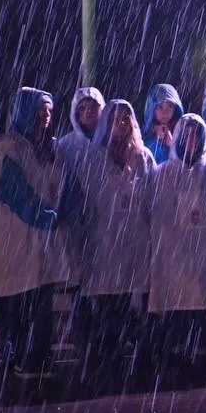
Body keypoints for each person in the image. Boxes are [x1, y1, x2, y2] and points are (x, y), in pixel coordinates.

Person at [0, 87, 73, 380]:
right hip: (16, 236)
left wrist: (68, 211)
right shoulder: (8, 148)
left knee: (41, 301)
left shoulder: (51, 149)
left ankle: (38, 357)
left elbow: (67, 186)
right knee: (17, 301)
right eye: (40, 111)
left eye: (49, 111)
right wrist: (47, 217)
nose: (45, 117)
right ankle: (18, 355)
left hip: (43, 239)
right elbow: (13, 192)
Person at [147, 113, 206, 368]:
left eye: (196, 136)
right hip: (175, 251)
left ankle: (199, 351)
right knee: (177, 298)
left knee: (202, 299)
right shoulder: (163, 172)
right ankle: (175, 352)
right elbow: (157, 213)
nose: (191, 141)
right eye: (186, 135)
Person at [70, 100, 156, 385]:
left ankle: (134, 364)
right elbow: (82, 203)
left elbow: (153, 201)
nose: (120, 124)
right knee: (108, 306)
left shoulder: (144, 157)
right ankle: (109, 361)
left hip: (136, 242)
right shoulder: (92, 158)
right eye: (114, 119)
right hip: (104, 242)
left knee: (136, 306)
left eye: (124, 119)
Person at [57, 87, 105, 172]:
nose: (88, 111)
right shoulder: (66, 143)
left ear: (101, 108)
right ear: (76, 113)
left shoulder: (111, 138)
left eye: (93, 106)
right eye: (82, 108)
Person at [142, 83, 184, 165]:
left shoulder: (181, 133)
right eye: (160, 106)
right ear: (152, 108)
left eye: (170, 106)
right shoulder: (141, 133)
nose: (165, 112)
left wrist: (172, 146)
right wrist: (154, 138)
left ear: (176, 109)